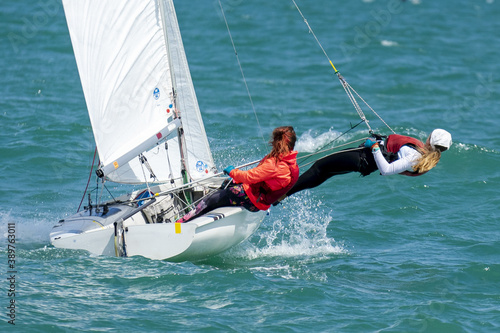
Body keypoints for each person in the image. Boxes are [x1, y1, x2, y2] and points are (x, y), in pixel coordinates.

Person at [281, 129, 452, 199]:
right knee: (324, 172)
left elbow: (387, 170)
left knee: (319, 167)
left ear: (430, 139)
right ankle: (282, 195)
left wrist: (376, 147)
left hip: (363, 159)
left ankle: (280, 194)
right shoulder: (423, 156)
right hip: (364, 160)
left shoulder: (415, 156)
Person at [176, 126, 299, 223]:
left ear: (279, 143)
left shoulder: (276, 164)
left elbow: (248, 177)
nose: (271, 142)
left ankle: (182, 222)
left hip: (252, 200)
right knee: (226, 184)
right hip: (258, 198)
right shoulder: (291, 162)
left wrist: (232, 171)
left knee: (211, 199)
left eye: (274, 140)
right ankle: (207, 210)